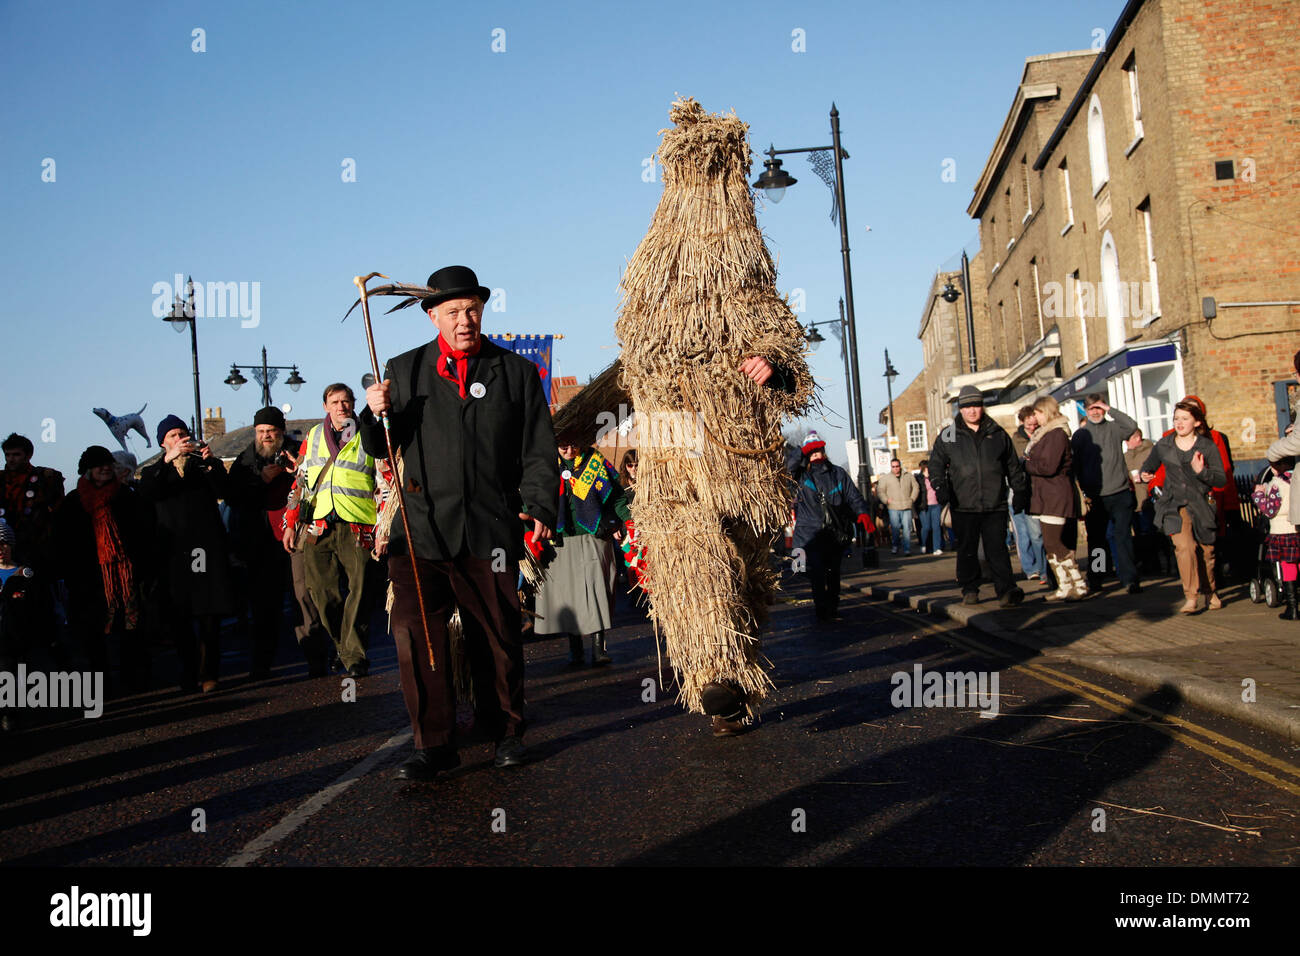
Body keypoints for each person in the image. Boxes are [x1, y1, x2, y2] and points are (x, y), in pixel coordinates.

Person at [361, 265, 559, 781]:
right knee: (416, 639)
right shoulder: (403, 371)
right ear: (433, 317)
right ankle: (435, 744)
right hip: (420, 529)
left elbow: (539, 450)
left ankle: (506, 732)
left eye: (471, 309)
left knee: (496, 636)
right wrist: (373, 412)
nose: (464, 319)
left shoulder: (515, 372)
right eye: (452, 311)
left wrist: (539, 507)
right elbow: (382, 444)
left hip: (488, 527)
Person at [283, 385, 377, 679]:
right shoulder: (311, 437)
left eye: (346, 401)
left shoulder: (369, 434)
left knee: (361, 591)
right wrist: (290, 520)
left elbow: (386, 478)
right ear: (325, 406)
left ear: (353, 404)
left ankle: (355, 657)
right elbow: (300, 481)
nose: (341, 406)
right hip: (317, 526)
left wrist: (384, 527)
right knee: (322, 594)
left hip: (357, 525)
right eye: (335, 402)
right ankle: (342, 647)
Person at [138, 415, 236, 692]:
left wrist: (212, 462)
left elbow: (225, 491)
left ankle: (209, 674)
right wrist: (168, 460)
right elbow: (147, 493)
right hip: (174, 556)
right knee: (180, 619)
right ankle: (188, 673)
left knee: (209, 616)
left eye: (182, 434)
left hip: (206, 552)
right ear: (162, 443)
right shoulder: (154, 471)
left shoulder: (202, 466)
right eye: (172, 436)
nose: (179, 439)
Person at [54, 445, 154, 693]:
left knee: (129, 629)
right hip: (87, 578)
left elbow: (144, 532)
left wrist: (141, 567)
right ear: (87, 470)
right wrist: (70, 572)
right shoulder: (73, 502)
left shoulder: (127, 497)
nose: (105, 469)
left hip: (124, 576)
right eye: (99, 465)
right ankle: (102, 684)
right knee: (93, 633)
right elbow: (62, 540)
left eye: (108, 464)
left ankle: (134, 679)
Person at [534, 431, 630, 666]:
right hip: (561, 538)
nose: (569, 451)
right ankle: (575, 650)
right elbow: (533, 496)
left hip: (594, 535)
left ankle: (599, 649)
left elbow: (616, 495)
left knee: (598, 589)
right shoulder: (546, 464)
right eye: (564, 447)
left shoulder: (595, 461)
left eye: (573, 445)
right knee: (569, 595)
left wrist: (626, 519)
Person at [228, 407, 310, 679]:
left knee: (304, 601)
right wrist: (260, 480)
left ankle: (315, 659)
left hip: (297, 538)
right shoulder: (244, 460)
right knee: (263, 608)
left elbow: (314, 483)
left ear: (281, 432)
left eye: (271, 432)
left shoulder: (299, 452)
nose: (266, 436)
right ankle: (262, 666)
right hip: (260, 544)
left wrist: (296, 469)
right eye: (261, 431)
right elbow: (233, 497)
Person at [928, 385, 1028, 607]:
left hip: (994, 503)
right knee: (967, 550)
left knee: (998, 549)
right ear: (960, 409)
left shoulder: (997, 433)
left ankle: (1006, 591)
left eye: (976, 405)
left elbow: (1012, 466)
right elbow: (935, 465)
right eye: (966, 407)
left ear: (982, 407)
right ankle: (970, 588)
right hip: (963, 504)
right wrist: (940, 487)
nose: (972, 411)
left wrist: (1019, 490)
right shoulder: (949, 434)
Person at [1139, 400, 1226, 613]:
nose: (1179, 423)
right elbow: (1147, 467)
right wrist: (1144, 474)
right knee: (1184, 548)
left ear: (1196, 422)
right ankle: (1191, 596)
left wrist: (1201, 471)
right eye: (1176, 418)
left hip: (1201, 503)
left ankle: (1209, 590)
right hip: (1174, 505)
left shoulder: (1207, 446)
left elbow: (1221, 479)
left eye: (1185, 419)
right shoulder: (1164, 445)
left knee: (1206, 552)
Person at [790, 432, 874, 622]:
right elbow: (788, 467)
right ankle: (822, 609)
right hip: (811, 535)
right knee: (817, 573)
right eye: (812, 453)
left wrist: (862, 513)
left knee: (833, 573)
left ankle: (833, 607)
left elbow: (853, 496)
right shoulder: (801, 476)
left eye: (818, 451)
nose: (816, 456)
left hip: (834, 534)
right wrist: (801, 452)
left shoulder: (838, 473)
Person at [1071, 393, 1142, 594]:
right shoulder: (1081, 435)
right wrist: (1082, 491)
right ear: (1085, 410)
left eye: (1099, 408)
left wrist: (1110, 409)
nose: (1095, 412)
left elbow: (1131, 425)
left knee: (1123, 538)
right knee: (1097, 541)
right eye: (1091, 408)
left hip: (1120, 493)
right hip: (1095, 496)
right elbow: (1075, 465)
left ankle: (1129, 579)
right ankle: (1097, 579)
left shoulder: (1114, 428)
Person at [1023, 396, 1084, 600]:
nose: (1035, 417)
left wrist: (1027, 464)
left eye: (1038, 413)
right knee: (1050, 544)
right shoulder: (1045, 434)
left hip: (1055, 495)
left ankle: (1077, 583)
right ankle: (1065, 586)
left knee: (1054, 542)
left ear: (1046, 412)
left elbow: (1048, 467)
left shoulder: (1056, 434)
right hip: (1046, 496)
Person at [1255, 458, 1298, 620]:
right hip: (1297, 528)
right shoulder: (1297, 479)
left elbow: (1270, 510)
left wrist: (1259, 495)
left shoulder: (1276, 485)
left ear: (1279, 466)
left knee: (1288, 567)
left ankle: (1293, 608)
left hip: (1282, 530)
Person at [1010, 405, 1046, 582]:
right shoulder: (1015, 441)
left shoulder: (1044, 436)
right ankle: (1030, 568)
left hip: (1038, 492)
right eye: (1029, 424)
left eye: (1034, 424)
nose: (1032, 427)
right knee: (1023, 534)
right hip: (1018, 492)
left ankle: (1042, 567)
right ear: (1022, 422)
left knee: (1037, 534)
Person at [877, 458, 918, 556]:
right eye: (893, 466)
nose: (895, 468)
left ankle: (907, 549)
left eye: (897, 466)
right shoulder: (886, 478)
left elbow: (916, 487)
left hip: (906, 505)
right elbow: (880, 490)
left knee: (907, 529)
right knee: (895, 529)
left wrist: (912, 499)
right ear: (891, 467)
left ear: (900, 466)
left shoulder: (908, 476)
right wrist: (886, 500)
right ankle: (895, 546)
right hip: (893, 507)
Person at [916, 460, 944, 556]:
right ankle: (923, 544)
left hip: (936, 504)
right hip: (925, 506)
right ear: (924, 469)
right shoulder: (919, 479)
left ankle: (937, 548)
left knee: (936, 527)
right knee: (926, 527)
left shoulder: (934, 478)